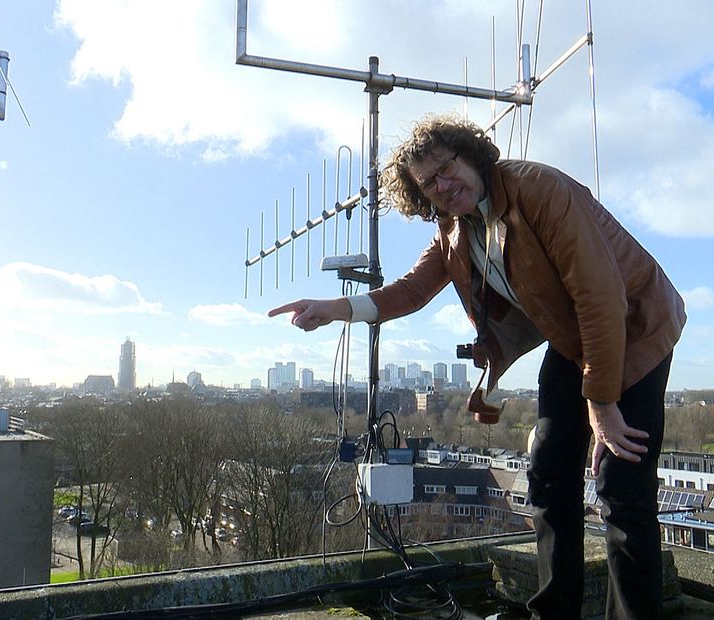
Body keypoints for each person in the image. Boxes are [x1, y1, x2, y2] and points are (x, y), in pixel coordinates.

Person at [269, 113, 685, 619]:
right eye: (429, 183)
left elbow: (600, 295)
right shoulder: (455, 230)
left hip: (636, 323)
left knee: (621, 483)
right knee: (549, 472)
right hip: (575, 337)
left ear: (471, 156)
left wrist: (601, 405)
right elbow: (412, 290)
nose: (444, 186)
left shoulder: (538, 189)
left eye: (448, 168)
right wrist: (337, 309)